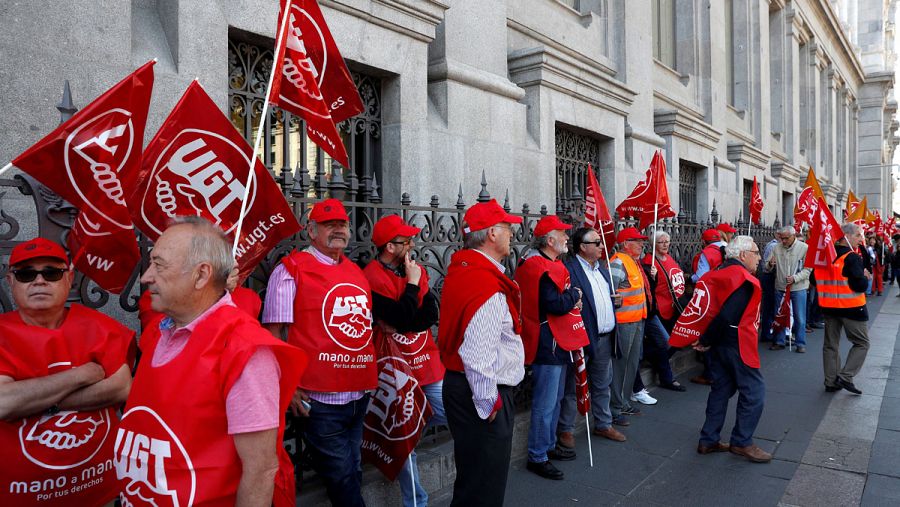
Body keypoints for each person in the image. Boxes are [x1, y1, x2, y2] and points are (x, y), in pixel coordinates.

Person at [115, 217, 306, 506]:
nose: (146, 277)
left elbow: (260, 471)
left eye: (159, 265)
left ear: (201, 275)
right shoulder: (159, 331)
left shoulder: (244, 350)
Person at [0, 238, 135, 507]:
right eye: (26, 274)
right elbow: (3, 403)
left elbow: (121, 388)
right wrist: (82, 375)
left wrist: (30, 398)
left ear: (69, 277)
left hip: (100, 491)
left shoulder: (100, 327)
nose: (39, 281)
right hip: (19, 497)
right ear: (11, 281)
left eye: (51, 272)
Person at [262, 198, 377, 506]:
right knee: (343, 480)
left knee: (353, 471)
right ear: (312, 231)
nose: (338, 230)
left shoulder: (356, 272)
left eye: (342, 224)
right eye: (329, 225)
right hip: (320, 401)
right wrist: (290, 386)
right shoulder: (291, 271)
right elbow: (275, 335)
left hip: (357, 396)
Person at [438, 199, 524, 507]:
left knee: (473, 480)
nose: (512, 232)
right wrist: (488, 403)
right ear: (491, 234)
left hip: (466, 387)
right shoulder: (483, 281)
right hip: (483, 392)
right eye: (506, 226)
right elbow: (477, 353)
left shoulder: (466, 270)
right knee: (484, 487)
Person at [363, 214, 443, 507]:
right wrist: (411, 287)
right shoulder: (371, 275)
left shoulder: (414, 269)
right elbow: (401, 314)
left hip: (424, 359)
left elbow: (429, 313)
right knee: (404, 433)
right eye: (405, 241)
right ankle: (417, 502)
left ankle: (405, 437)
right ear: (389, 247)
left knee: (452, 410)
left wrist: (405, 316)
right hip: (393, 366)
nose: (411, 245)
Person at [673, 236, 770, 463]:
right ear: (743, 255)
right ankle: (742, 442)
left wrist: (705, 338)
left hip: (718, 342)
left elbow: (705, 309)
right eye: (756, 252)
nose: (758, 257)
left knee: (721, 389)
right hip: (737, 341)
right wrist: (705, 339)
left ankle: (708, 439)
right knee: (754, 391)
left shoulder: (714, 273)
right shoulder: (742, 277)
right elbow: (727, 315)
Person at [514, 215, 581, 480]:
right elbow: (554, 303)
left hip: (556, 340)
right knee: (545, 402)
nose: (567, 237)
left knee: (554, 400)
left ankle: (548, 445)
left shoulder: (547, 263)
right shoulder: (537, 267)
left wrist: (570, 298)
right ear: (549, 240)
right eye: (562, 234)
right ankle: (538, 455)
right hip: (546, 342)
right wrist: (574, 296)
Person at [558, 227, 625, 444]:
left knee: (602, 382)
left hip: (605, 337)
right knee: (574, 384)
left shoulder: (602, 269)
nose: (602, 245)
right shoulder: (569, 269)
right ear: (582, 247)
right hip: (583, 338)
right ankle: (566, 428)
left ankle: (604, 423)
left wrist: (615, 301)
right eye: (596, 242)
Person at [816, 223, 871, 395]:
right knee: (862, 343)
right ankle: (846, 376)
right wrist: (865, 277)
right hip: (851, 308)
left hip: (829, 308)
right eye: (857, 236)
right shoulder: (852, 257)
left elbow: (813, 279)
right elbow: (859, 285)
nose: (860, 240)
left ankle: (831, 381)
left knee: (830, 345)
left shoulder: (825, 255)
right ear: (846, 236)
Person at [609, 227, 651, 425]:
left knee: (631, 364)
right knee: (621, 366)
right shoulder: (618, 262)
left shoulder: (632, 262)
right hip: (624, 324)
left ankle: (623, 403)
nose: (642, 244)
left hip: (636, 321)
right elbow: (611, 294)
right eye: (638, 241)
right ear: (626, 244)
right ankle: (615, 408)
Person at [636, 230, 686, 396]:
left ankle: (653, 357)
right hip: (659, 308)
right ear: (653, 244)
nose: (665, 244)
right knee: (666, 343)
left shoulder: (669, 258)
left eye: (667, 241)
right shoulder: (649, 261)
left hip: (673, 307)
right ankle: (667, 377)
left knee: (673, 343)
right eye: (661, 242)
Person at [763, 227, 811, 352]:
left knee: (799, 316)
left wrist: (795, 278)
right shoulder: (776, 248)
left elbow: (808, 269)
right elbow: (766, 267)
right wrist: (770, 264)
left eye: (786, 238)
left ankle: (801, 343)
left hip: (798, 287)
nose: (783, 241)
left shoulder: (804, 248)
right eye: (781, 238)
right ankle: (779, 341)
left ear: (793, 235)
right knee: (779, 315)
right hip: (780, 286)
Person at [758, 233, 779, 343]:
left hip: (769, 277)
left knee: (770, 306)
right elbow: (767, 265)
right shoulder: (774, 246)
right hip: (769, 277)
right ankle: (766, 333)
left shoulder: (774, 245)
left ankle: (768, 332)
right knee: (769, 306)